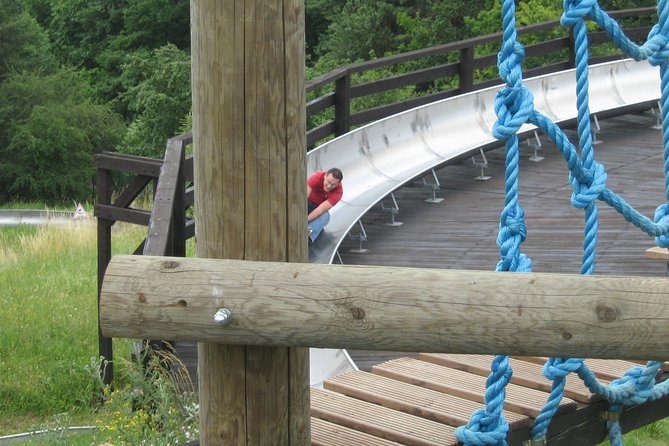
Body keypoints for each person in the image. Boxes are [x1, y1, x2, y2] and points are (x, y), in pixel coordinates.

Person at [307, 167, 343, 244]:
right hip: (306, 204)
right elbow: (303, 198)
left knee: (325, 216)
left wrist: (305, 221)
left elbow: (321, 209)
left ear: (338, 184)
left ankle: (307, 236)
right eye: (328, 182)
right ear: (325, 176)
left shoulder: (338, 192)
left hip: (316, 210)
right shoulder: (316, 177)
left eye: (333, 185)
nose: (329, 186)